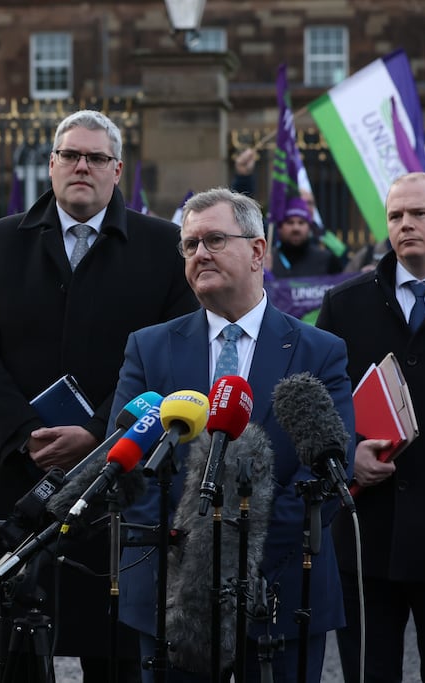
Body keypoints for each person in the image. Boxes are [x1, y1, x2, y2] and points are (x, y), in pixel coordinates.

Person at [0, 109, 199, 682]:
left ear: (117, 170)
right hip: (18, 467)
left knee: (112, 652)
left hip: (117, 471)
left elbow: (175, 354)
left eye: (95, 158)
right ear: (52, 165)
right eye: (70, 156)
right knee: (11, 652)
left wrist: (99, 433)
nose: (81, 166)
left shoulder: (164, 246)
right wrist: (22, 434)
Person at [112, 187, 355, 682]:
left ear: (258, 251)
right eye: (190, 243)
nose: (200, 252)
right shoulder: (149, 348)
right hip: (170, 592)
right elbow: (127, 466)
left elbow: (326, 475)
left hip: (282, 592)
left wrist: (241, 557)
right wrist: (190, 556)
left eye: (215, 239)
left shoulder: (319, 351)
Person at [316, 172, 425, 683]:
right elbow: (315, 404)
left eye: (419, 213)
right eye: (395, 216)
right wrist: (347, 456)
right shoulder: (345, 304)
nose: (405, 224)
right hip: (366, 541)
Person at [269, 196, 343, 277]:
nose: (296, 228)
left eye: (301, 222)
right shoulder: (268, 260)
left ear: (309, 227)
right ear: (280, 228)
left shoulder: (327, 260)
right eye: (290, 222)